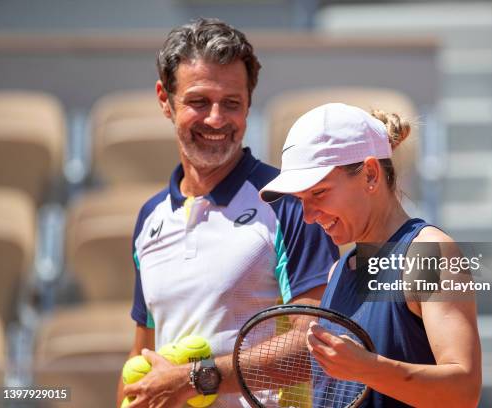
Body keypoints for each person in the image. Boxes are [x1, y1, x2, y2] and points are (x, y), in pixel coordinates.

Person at [117, 18, 339, 407]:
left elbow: (314, 344)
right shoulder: (149, 218)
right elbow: (141, 359)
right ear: (164, 100)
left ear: (249, 105)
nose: (216, 119)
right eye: (199, 101)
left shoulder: (289, 203)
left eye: (231, 103)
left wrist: (195, 379)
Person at [259, 103, 482, 407]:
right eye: (301, 199)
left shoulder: (430, 254)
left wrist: (367, 368)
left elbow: (464, 392)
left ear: (371, 175)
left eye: (319, 192)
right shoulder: (337, 270)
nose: (308, 216)